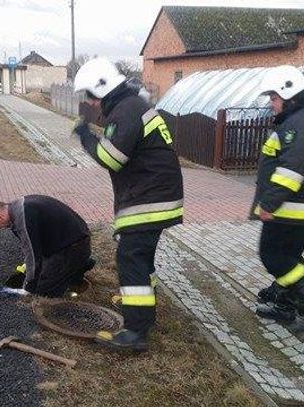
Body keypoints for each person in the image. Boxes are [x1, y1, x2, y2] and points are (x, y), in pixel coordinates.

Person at [72, 58, 184, 351]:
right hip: (157, 194)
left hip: (149, 197)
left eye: (90, 97)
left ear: (102, 90)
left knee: (130, 258)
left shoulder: (125, 110)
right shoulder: (131, 106)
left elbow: (111, 158)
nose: (91, 104)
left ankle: (135, 332)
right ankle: (143, 310)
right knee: (141, 257)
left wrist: (85, 136)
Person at [252, 65, 304, 332]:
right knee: (289, 256)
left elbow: (291, 170)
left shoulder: (299, 123)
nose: (271, 104)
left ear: (291, 96)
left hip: (292, 207)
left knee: (273, 256)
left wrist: (269, 203)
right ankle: (286, 305)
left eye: (274, 98)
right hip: (301, 205)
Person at [0, 195, 95, 297]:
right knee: (43, 270)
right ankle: (78, 264)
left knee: (42, 290)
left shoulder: (23, 217)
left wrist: (28, 287)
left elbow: (32, 253)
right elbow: (35, 244)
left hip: (74, 247)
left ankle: (80, 264)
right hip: (71, 240)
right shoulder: (19, 206)